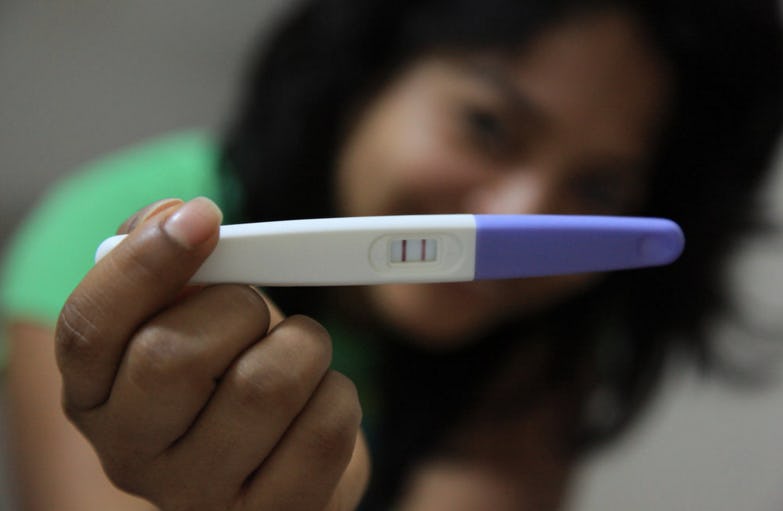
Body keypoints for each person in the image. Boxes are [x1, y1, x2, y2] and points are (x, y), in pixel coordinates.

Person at [2, 0, 781, 509]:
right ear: (365, 77)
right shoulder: (111, 236)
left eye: (598, 187)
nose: (518, 220)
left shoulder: (555, 317)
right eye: (486, 125)